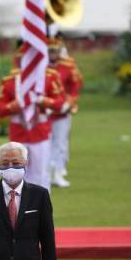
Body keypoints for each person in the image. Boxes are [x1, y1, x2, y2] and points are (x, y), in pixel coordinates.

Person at [0, 46, 67, 190]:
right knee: (17, 175)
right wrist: (15, 105)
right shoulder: (9, 81)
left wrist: (44, 101)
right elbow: (0, 109)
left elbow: (60, 103)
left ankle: (42, 209)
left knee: (41, 175)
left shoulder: (48, 77)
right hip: (18, 134)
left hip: (40, 133)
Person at [47, 35, 83, 188]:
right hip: (46, 111)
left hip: (62, 111)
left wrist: (69, 102)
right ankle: (47, 172)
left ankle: (59, 172)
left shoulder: (67, 66)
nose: (53, 54)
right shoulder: (41, 66)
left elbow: (75, 87)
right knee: (47, 144)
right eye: (50, 51)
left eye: (55, 51)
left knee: (61, 143)